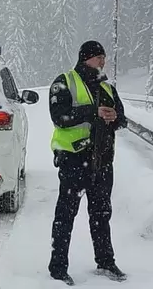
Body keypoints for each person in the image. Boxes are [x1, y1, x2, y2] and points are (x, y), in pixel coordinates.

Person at [47, 40, 128, 286]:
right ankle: (58, 267)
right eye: (98, 57)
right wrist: (93, 112)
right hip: (74, 159)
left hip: (102, 161)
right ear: (85, 58)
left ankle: (105, 261)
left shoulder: (107, 86)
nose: (103, 61)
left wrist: (115, 118)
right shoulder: (65, 81)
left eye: (104, 57)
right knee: (66, 214)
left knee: (101, 214)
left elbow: (121, 118)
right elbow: (59, 117)